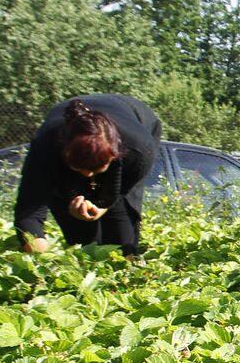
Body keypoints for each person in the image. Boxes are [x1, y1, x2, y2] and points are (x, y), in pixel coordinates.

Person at [14, 94, 162, 257]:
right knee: (79, 237)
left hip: (136, 119)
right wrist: (43, 260)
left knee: (120, 228)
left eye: (96, 169)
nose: (88, 174)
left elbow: (118, 196)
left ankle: (125, 259)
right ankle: (87, 255)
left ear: (113, 156)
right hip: (59, 153)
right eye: (79, 168)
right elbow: (29, 212)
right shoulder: (46, 147)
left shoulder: (139, 150)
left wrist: (101, 206)